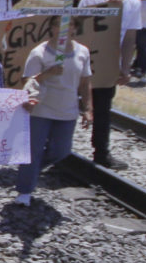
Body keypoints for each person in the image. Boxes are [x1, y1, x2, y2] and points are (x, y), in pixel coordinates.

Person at [13, 16, 93, 205]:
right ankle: (24, 190)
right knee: (33, 151)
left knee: (61, 151)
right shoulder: (39, 52)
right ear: (52, 28)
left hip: (67, 110)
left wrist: (88, 108)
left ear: (75, 28)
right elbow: (28, 82)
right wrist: (47, 74)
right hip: (41, 109)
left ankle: (30, 171)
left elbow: (85, 82)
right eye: (59, 24)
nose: (64, 28)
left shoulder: (82, 51)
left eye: (70, 24)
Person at [78, 0, 141, 169]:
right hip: (84, 59)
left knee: (103, 109)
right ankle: (53, 148)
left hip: (107, 64)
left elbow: (130, 38)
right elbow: (78, 25)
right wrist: (104, 7)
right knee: (68, 104)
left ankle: (101, 153)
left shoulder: (133, 4)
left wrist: (125, 67)